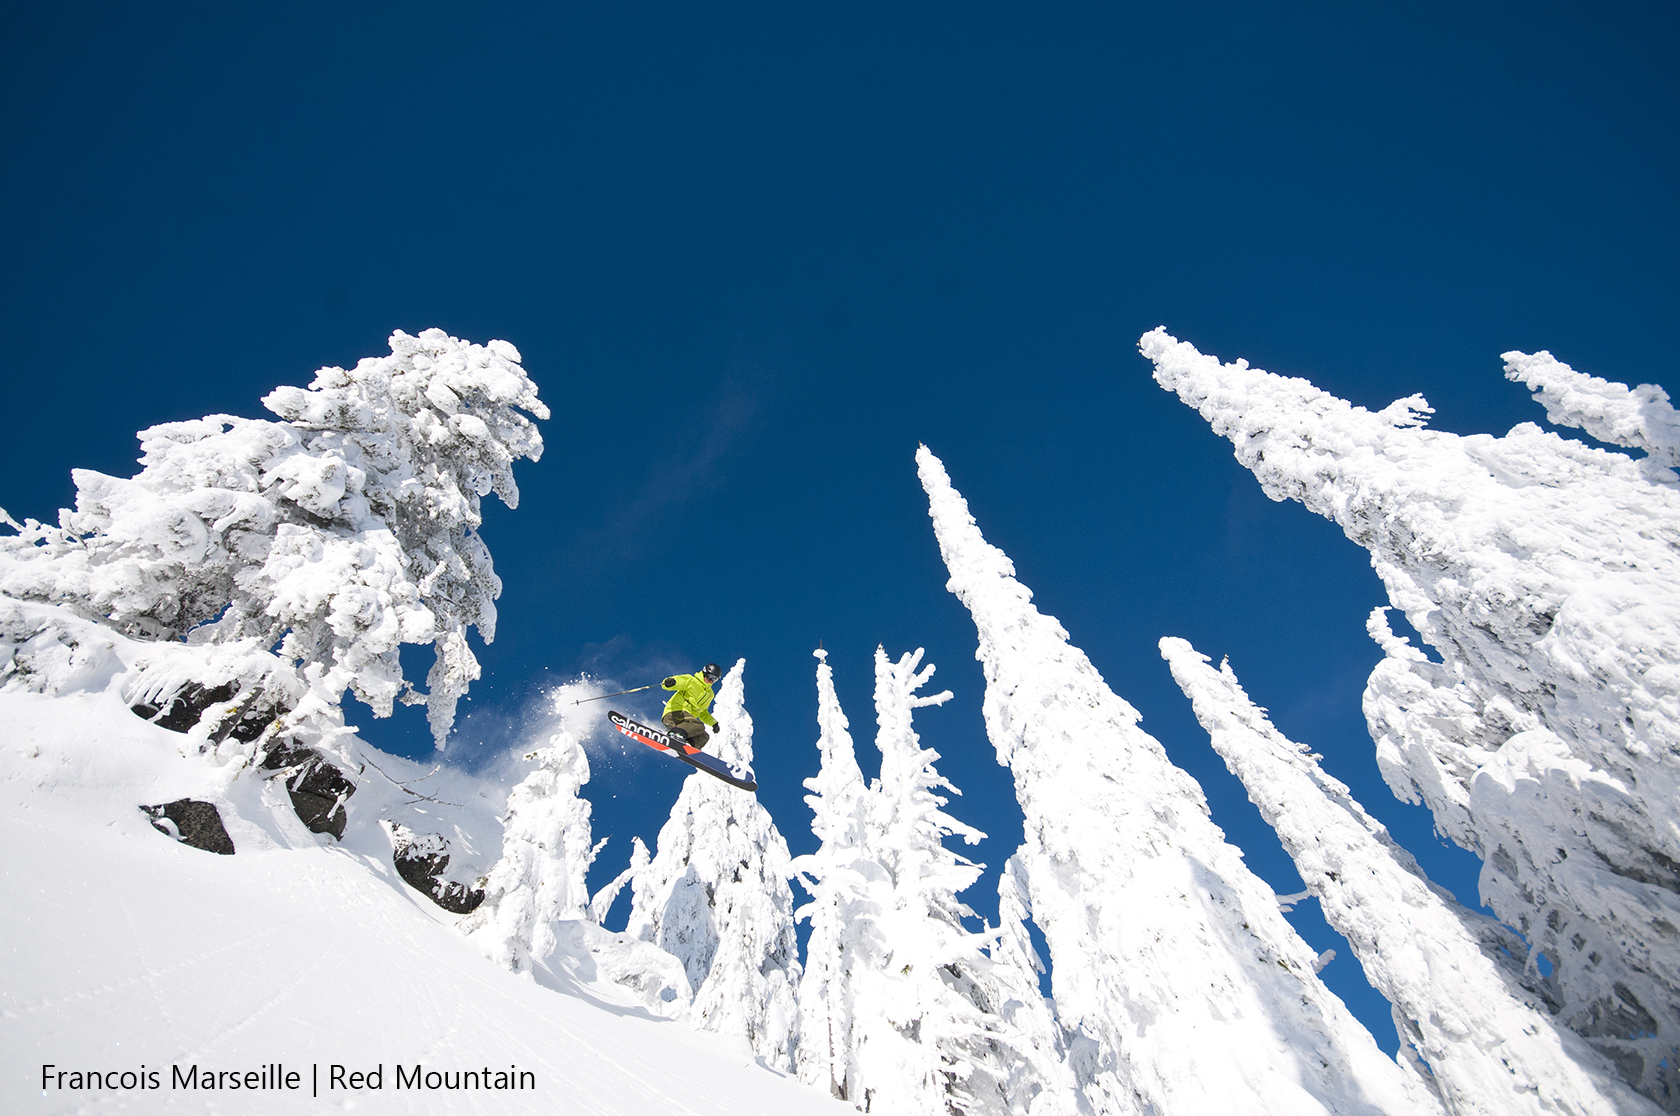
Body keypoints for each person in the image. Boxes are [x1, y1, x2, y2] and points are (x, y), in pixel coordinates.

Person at [661, 663, 723, 751]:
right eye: (710, 677)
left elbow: (702, 713)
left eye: (714, 679)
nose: (711, 681)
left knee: (704, 736)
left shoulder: (710, 695)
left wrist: (714, 723)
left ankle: (687, 745)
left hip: (686, 722)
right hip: (675, 713)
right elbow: (678, 681)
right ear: (704, 673)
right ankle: (675, 735)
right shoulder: (692, 681)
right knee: (698, 726)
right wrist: (670, 682)